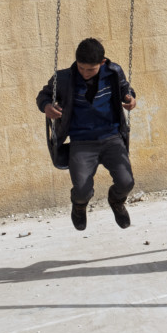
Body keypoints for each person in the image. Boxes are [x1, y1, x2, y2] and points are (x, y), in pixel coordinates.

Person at [36, 38, 137, 231]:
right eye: (81, 67)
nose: (85, 73)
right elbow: (43, 95)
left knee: (126, 182)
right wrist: (47, 106)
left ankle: (116, 201)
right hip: (81, 141)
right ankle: (79, 206)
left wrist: (129, 97)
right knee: (82, 190)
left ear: (102, 62)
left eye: (90, 69)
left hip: (111, 137)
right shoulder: (63, 78)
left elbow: (125, 88)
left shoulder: (114, 72)